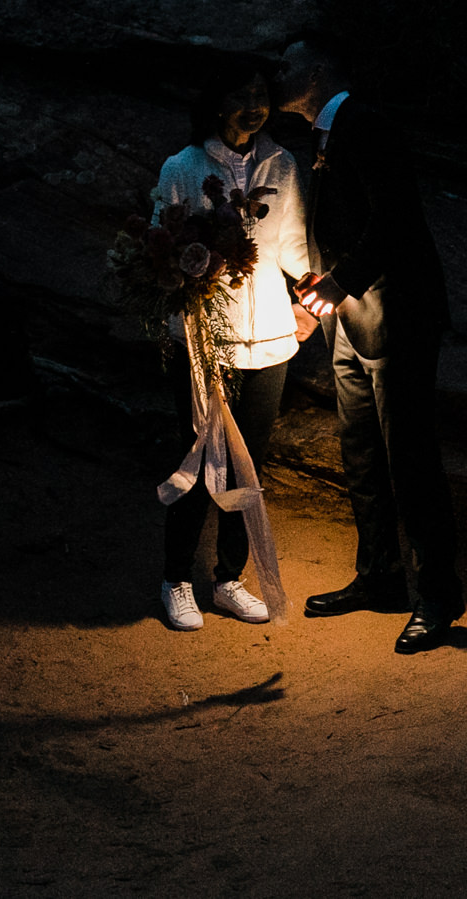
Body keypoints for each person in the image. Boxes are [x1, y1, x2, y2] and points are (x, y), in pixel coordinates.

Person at [277, 39, 464, 654]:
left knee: (408, 455)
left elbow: (396, 219)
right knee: (360, 449)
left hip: (397, 316)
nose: (277, 77)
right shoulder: (326, 136)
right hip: (351, 322)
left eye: (287, 68)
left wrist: (342, 278)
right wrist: (322, 284)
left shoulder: (367, 125)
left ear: (320, 71)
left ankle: (435, 597)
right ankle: (379, 575)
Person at [151, 62, 313, 631]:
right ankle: (175, 580)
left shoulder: (282, 165)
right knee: (198, 459)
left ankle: (226, 580)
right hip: (204, 342)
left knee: (249, 468)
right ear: (217, 102)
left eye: (261, 95)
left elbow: (294, 246)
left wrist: (314, 302)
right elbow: (159, 245)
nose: (253, 105)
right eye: (240, 95)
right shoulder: (184, 167)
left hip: (268, 342)